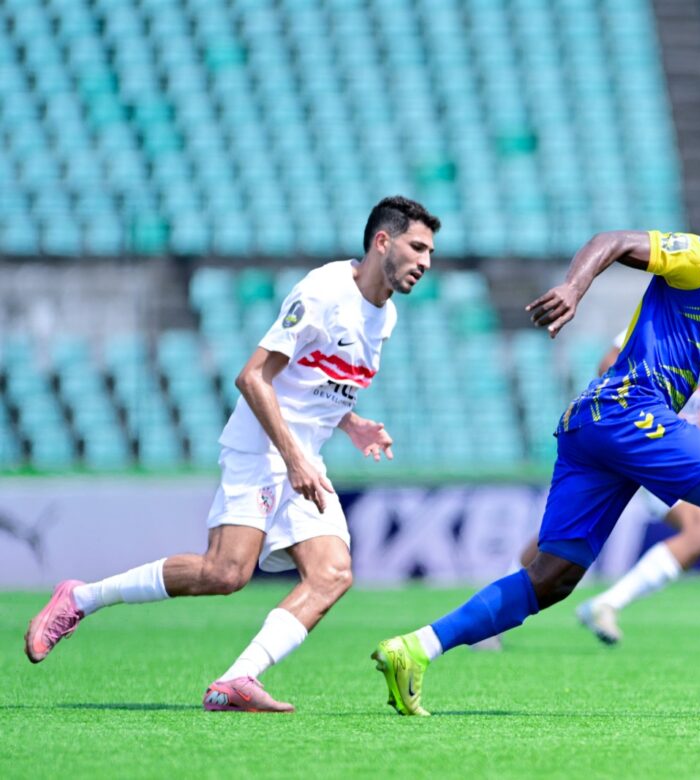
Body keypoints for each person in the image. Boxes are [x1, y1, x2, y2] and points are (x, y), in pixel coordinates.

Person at [371, 182, 700, 717]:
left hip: (592, 425)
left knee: (551, 579)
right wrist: (573, 288)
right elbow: (612, 241)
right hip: (628, 410)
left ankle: (414, 649)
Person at [24, 196, 440, 713]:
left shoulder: (386, 315)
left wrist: (351, 423)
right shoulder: (323, 292)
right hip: (263, 446)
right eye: (417, 247)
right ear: (383, 241)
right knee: (225, 573)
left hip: (303, 455)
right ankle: (80, 599)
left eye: (429, 252)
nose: (426, 261)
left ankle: (237, 679)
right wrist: (294, 458)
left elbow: (316, 381)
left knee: (332, 573)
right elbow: (253, 377)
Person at [575, 303, 700, 645]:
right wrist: (651, 406)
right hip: (638, 433)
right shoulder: (681, 301)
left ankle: (606, 603)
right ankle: (506, 609)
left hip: (674, 447)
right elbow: (609, 362)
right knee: (565, 540)